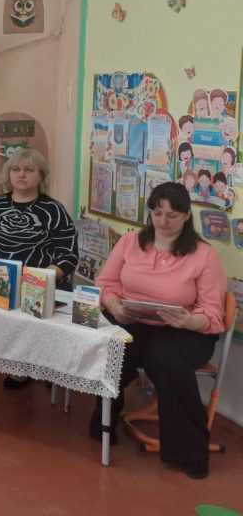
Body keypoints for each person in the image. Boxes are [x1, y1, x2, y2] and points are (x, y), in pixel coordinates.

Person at [91, 182, 226, 479]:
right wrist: (114, 306)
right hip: (132, 318)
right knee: (115, 349)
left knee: (167, 361)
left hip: (183, 329)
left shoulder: (203, 255)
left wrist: (190, 321)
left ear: (186, 216)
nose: (163, 221)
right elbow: (107, 282)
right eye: (157, 213)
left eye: (172, 215)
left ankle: (189, 452)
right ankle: (102, 422)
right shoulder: (131, 241)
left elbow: (213, 311)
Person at [0, 147, 78, 387]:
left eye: (29, 170)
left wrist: (42, 278)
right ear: (8, 174)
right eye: (15, 170)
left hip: (38, 286)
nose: (21, 175)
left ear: (41, 176)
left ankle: (33, 366)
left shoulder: (53, 209)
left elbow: (68, 253)